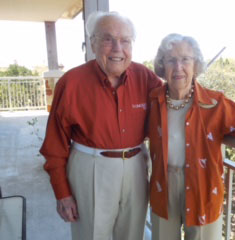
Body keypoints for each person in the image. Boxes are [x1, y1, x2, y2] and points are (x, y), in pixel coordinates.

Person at [40, 11, 162, 240]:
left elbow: (176, 102)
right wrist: (62, 193)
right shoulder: (72, 82)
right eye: (108, 39)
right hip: (91, 168)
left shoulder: (145, 77)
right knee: (92, 235)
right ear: (93, 44)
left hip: (136, 167)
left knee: (132, 235)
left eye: (125, 40)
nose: (117, 48)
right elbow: (54, 145)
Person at [147, 33, 235, 240]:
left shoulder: (214, 103)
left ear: (195, 65)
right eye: (171, 60)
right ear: (162, 65)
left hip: (203, 187)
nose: (178, 67)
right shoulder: (152, 102)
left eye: (185, 59)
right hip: (163, 187)